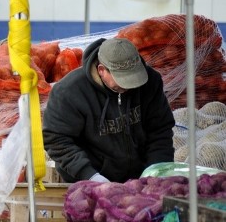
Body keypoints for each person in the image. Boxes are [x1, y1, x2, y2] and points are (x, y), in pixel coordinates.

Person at [42, 37, 175, 183]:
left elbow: (160, 130)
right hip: (87, 182)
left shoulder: (150, 81)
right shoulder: (69, 91)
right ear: (101, 70)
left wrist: (156, 171)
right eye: (123, 79)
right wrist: (90, 176)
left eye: (134, 78)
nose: (129, 86)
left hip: (140, 179)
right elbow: (56, 140)